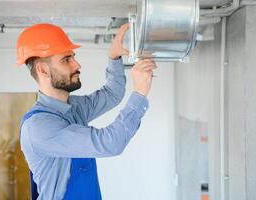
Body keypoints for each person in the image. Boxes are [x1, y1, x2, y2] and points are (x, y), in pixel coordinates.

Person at [17, 23, 157, 200]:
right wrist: (140, 93)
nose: (77, 64)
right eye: (66, 59)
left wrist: (113, 56)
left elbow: (112, 93)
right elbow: (110, 143)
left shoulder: (73, 107)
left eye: (73, 57)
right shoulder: (39, 128)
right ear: (43, 70)